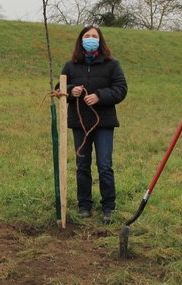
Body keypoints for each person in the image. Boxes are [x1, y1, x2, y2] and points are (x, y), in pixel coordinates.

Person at [58, 25, 128, 224]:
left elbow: (121, 89)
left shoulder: (112, 65)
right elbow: (58, 88)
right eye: (87, 36)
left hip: (104, 123)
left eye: (94, 36)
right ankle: (84, 206)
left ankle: (108, 207)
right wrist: (72, 91)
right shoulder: (71, 65)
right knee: (82, 165)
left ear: (100, 40)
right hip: (79, 123)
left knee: (104, 165)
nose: (90, 39)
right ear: (81, 41)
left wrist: (99, 96)